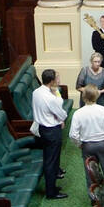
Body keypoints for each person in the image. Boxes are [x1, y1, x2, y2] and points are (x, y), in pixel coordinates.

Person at [31, 69, 69, 200]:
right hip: (52, 131)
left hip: (42, 129)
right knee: (51, 162)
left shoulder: (36, 92)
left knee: (50, 160)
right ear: (52, 81)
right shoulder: (50, 98)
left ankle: (51, 187)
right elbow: (62, 113)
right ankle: (51, 192)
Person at [70, 86, 104, 183]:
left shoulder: (78, 113)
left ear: (83, 97)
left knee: (91, 174)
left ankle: (94, 196)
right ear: (96, 96)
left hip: (87, 146)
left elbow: (73, 135)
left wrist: (80, 145)